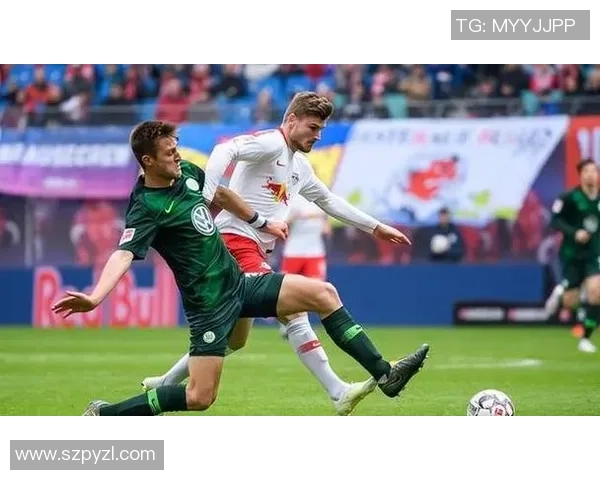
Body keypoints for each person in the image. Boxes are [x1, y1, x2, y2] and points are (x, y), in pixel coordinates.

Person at [51, 120, 429, 416]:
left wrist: (261, 222)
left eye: (177, 148)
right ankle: (106, 414)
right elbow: (123, 254)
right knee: (200, 397)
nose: (177, 156)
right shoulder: (147, 207)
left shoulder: (187, 174)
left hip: (239, 283)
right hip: (210, 305)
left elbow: (222, 193)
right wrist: (95, 297)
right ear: (148, 161)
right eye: (168, 153)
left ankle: (385, 375)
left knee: (323, 293)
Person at [141, 91, 423, 415]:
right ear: (291, 120)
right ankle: (347, 388)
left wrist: (375, 227)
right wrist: (205, 197)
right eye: (313, 127)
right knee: (302, 307)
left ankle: (166, 381)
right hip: (233, 244)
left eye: (321, 130)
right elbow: (224, 149)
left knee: (235, 340)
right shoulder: (271, 144)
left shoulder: (299, 166)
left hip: (253, 249)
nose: (317, 136)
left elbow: (328, 201)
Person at [545, 159, 600, 353]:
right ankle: (561, 293)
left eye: (594, 171)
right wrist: (574, 232)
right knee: (571, 301)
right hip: (572, 254)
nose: (591, 175)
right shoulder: (569, 198)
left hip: (594, 254)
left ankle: (585, 339)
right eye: (586, 171)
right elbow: (555, 220)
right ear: (581, 175)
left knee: (596, 292)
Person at [278, 195, 331, 339]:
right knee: (286, 289)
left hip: (315, 252)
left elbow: (326, 228)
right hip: (293, 251)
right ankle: (286, 324)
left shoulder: (320, 199)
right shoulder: (292, 198)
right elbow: (283, 223)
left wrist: (323, 224)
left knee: (316, 290)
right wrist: (298, 216)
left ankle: (304, 324)